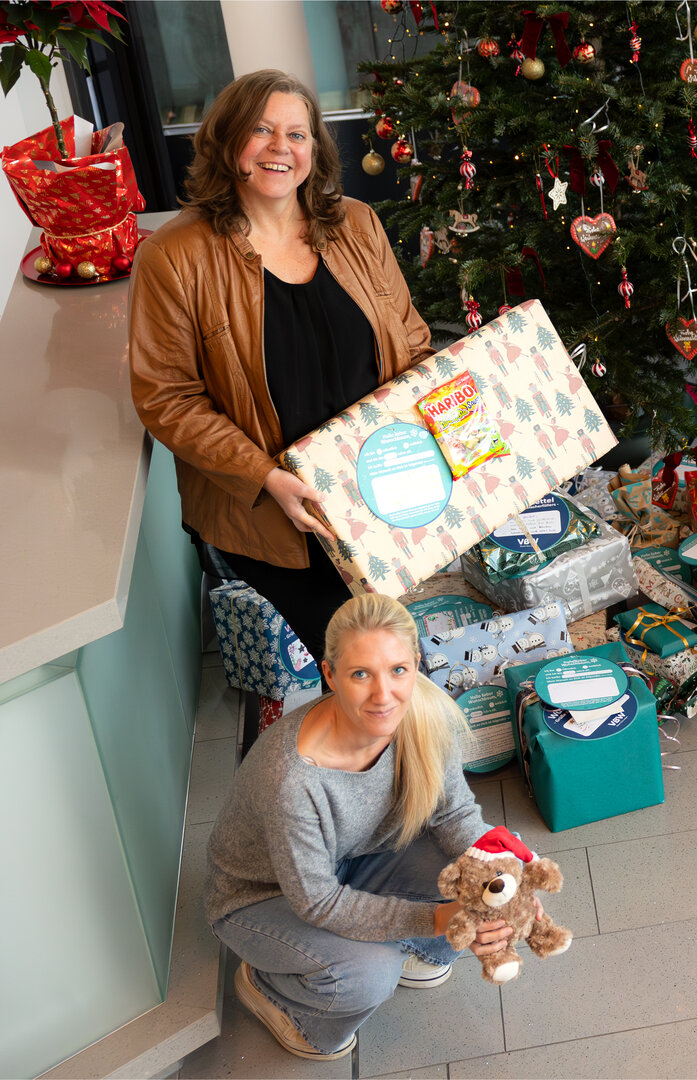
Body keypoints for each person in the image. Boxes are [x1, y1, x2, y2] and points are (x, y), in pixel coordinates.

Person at [129, 69, 435, 653]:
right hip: (273, 519)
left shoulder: (356, 223)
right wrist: (266, 479)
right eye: (262, 131)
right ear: (228, 143)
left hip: (376, 493)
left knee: (395, 655)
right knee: (363, 665)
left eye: (297, 134)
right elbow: (167, 400)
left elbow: (412, 341)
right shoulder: (174, 255)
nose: (281, 148)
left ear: (314, 149)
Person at [205, 594, 525, 1060]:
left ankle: (410, 944)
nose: (383, 695)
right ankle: (270, 986)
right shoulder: (293, 781)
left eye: (398, 670)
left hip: (354, 858)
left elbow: (454, 815)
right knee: (368, 976)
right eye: (360, 674)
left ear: (415, 663)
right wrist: (439, 919)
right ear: (329, 674)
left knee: (478, 877)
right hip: (264, 896)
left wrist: (505, 881)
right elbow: (318, 900)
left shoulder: (422, 714)